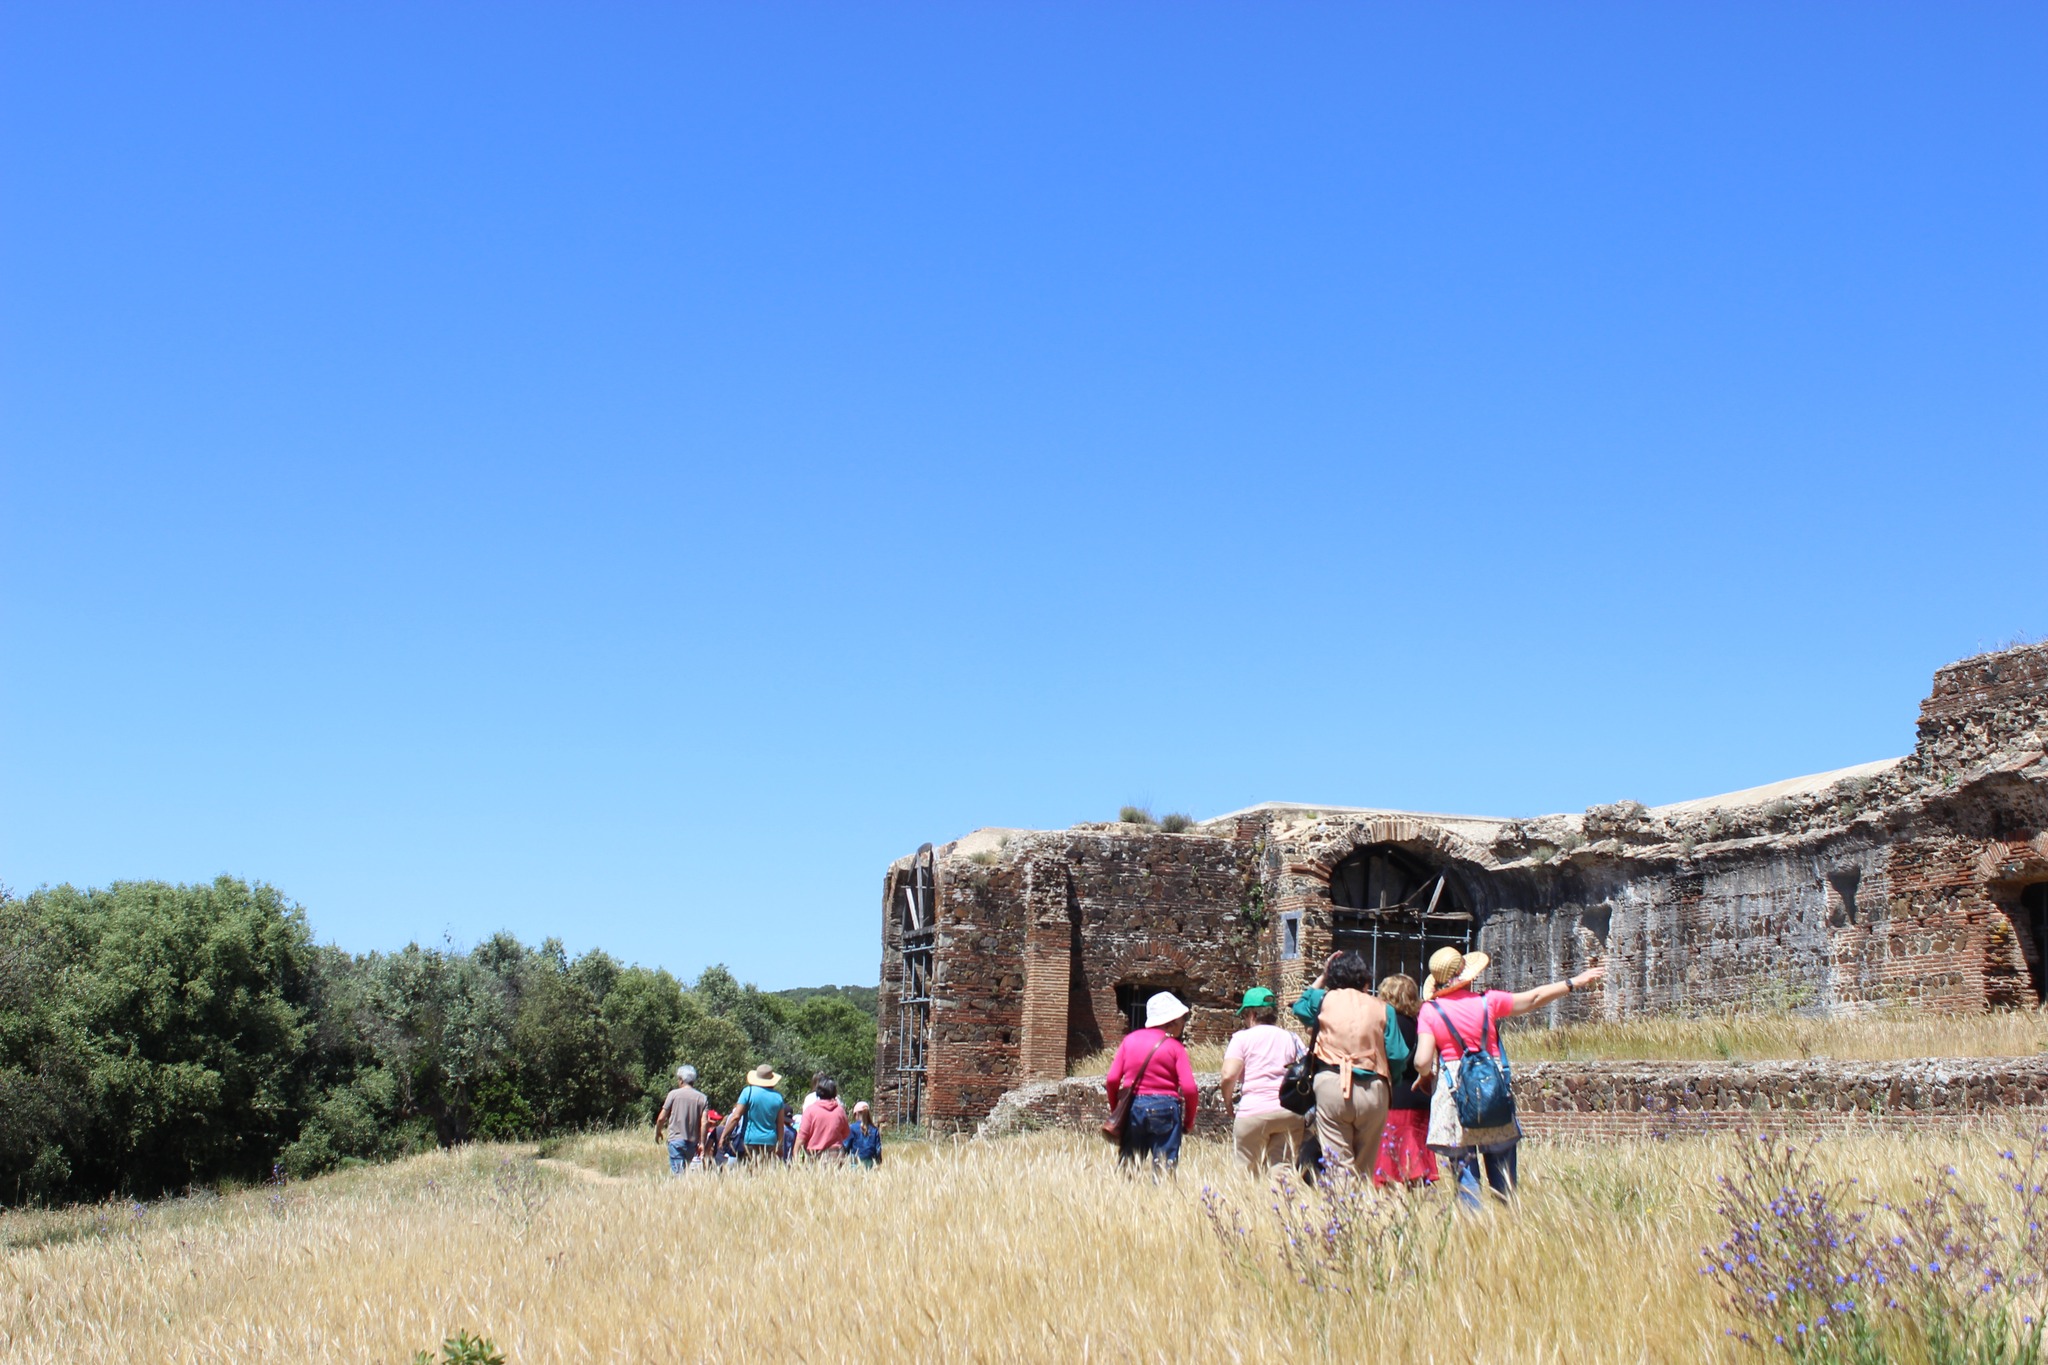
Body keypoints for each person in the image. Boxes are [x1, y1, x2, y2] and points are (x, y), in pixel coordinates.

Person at [1413, 947, 1606, 1201]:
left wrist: (1423, 1073)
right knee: (1502, 1166)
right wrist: (1573, 982)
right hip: (1491, 1088)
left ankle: (1475, 1229)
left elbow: (1423, 1060)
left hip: (1454, 1096)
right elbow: (1534, 998)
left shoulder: (1430, 1011)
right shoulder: (1488, 1001)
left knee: (1465, 1176)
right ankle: (1506, 1217)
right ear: (1467, 976)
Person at [1290, 950, 1390, 1179]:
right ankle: (1364, 1209)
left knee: (1338, 1163)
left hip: (1332, 1084)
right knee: (1366, 1166)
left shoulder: (1323, 1000)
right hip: (1374, 1086)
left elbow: (1300, 1006)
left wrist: (1323, 977)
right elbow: (1397, 1054)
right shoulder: (1384, 1008)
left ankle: (1342, 1207)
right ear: (1365, 978)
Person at [1104, 991, 1199, 1172]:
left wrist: (1116, 1109)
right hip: (1167, 1108)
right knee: (1164, 1170)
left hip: (1133, 1108)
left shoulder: (1129, 1040)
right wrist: (1189, 1121)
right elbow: (1189, 1089)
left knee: (1129, 1170)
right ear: (1171, 1022)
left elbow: (1112, 1079)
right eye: (1182, 1019)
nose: (1184, 1024)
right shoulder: (1175, 1047)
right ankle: (1161, 1199)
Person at [1219, 986, 1306, 1177]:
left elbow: (1228, 1074)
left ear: (1251, 1014)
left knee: (1246, 1173)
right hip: (1288, 1111)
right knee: (1283, 1172)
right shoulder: (1292, 1038)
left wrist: (1228, 1103)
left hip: (1254, 1112)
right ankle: (1282, 1205)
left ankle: (1248, 1205)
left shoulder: (1241, 1038)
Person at [1372, 976, 1436, 1189]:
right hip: (1420, 1095)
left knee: (1391, 1160)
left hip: (1395, 1096)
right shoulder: (1421, 1024)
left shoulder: (1386, 1025)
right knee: (1415, 1156)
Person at [653, 1065, 709, 1175]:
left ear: (681, 1080)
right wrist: (702, 1142)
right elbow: (704, 1123)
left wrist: (658, 1132)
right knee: (685, 1172)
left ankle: (679, 1191)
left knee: (678, 1174)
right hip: (692, 1142)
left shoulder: (673, 1095)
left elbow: (661, 1118)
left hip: (676, 1139)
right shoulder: (702, 1098)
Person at [731, 1064, 789, 1164]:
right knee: (764, 1173)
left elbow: (736, 1116)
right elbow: (780, 1124)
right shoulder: (778, 1097)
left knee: (748, 1172)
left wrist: (724, 1135)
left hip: (750, 1139)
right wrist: (779, 1145)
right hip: (770, 1141)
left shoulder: (748, 1092)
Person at [799, 1077, 852, 1164]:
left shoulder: (810, 1111)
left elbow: (802, 1137)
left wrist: (795, 1154)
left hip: (815, 1156)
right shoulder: (840, 1111)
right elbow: (846, 1133)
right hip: (836, 1156)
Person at [844, 1101, 882, 1167]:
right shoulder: (875, 1130)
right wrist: (878, 1163)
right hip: (870, 1163)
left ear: (857, 1114)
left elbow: (846, 1146)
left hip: (855, 1163)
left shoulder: (852, 1128)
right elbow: (878, 1150)